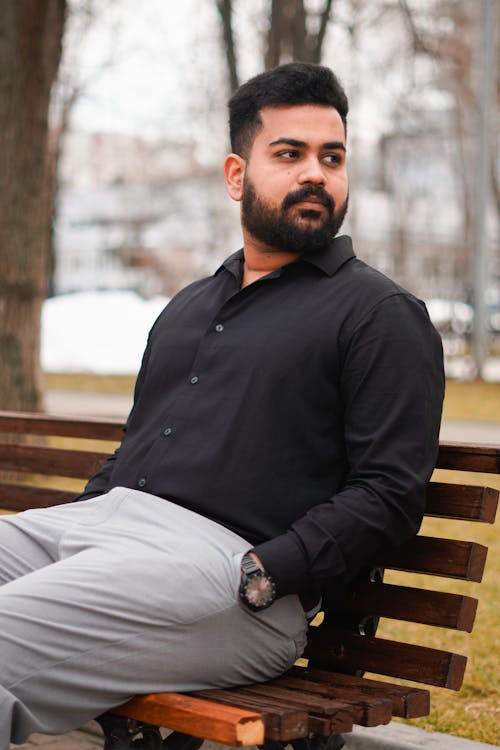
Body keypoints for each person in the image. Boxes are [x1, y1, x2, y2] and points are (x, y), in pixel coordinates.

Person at [0, 62, 444, 748]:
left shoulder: (378, 314)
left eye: (332, 157)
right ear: (237, 175)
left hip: (229, 578)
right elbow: (137, 449)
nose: (316, 174)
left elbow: (389, 491)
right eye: (290, 154)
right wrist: (87, 515)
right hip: (101, 533)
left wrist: (269, 572)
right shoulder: (189, 308)